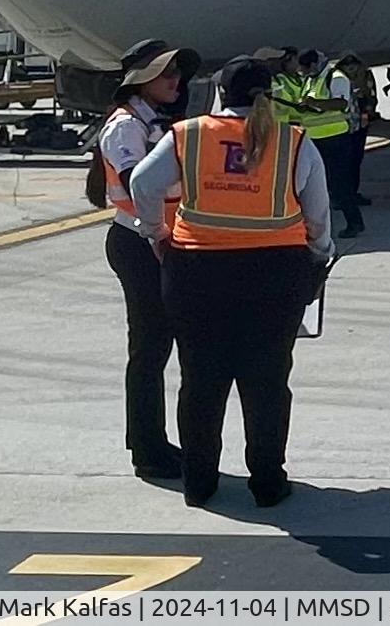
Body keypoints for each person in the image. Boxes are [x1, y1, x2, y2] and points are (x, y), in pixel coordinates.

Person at [129, 56, 333, 508]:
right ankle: (267, 481)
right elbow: (318, 214)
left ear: (220, 92)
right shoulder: (293, 141)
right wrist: (318, 254)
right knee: (267, 381)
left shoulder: (188, 135)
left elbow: (142, 182)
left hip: (198, 272)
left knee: (201, 380)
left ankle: (199, 481)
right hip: (275, 275)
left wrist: (156, 233)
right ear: (271, 96)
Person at [98, 38, 200, 481]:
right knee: (150, 349)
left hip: (160, 241)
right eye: (166, 74)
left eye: (178, 73)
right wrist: (160, 235)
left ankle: (152, 441)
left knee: (158, 347)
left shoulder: (157, 121)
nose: (176, 81)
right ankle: (147, 447)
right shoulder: (126, 127)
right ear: (141, 81)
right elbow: (137, 185)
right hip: (142, 243)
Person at [292, 50, 366, 239]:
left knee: (339, 183)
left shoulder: (336, 77)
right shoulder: (312, 78)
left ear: (314, 64)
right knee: (318, 184)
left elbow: (340, 104)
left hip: (335, 138)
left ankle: (355, 222)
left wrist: (314, 103)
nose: (304, 72)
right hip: (314, 138)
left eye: (306, 68)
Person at [336, 53, 378, 207]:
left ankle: (351, 193)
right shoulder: (336, 80)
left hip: (358, 125)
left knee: (354, 161)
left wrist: (369, 112)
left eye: (354, 66)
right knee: (343, 163)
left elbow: (371, 96)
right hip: (343, 127)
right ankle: (342, 195)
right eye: (348, 67)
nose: (352, 69)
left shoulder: (364, 77)